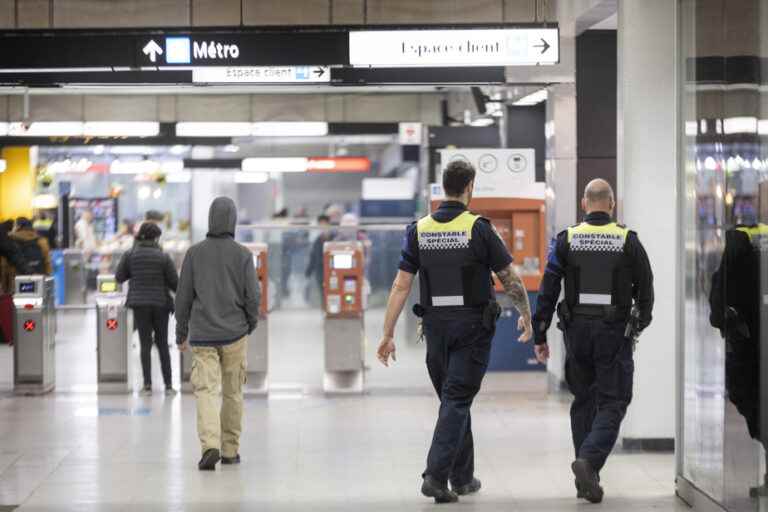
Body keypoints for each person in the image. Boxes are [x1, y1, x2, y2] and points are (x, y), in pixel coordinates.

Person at [376, 160, 533, 504]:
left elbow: (401, 284)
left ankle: (462, 477)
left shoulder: (419, 229)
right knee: (457, 399)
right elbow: (509, 278)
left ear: (443, 187)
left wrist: (387, 333)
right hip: (472, 329)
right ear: (470, 186)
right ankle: (435, 476)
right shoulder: (478, 229)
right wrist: (526, 314)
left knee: (454, 399)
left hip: (435, 330)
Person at [532, 179, 654, 503]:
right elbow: (646, 287)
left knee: (584, 400)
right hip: (613, 331)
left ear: (584, 204)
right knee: (614, 401)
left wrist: (540, 332)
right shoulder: (628, 240)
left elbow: (548, 289)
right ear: (612, 204)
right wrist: (639, 324)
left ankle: (586, 478)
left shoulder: (567, 240)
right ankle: (587, 461)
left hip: (577, 332)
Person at [175, 197, 260, 471]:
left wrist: (181, 333)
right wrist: (250, 323)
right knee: (233, 393)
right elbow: (253, 296)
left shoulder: (194, 253)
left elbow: (183, 298)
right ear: (233, 220)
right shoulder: (243, 254)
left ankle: (209, 446)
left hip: (202, 336)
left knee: (206, 391)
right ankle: (230, 450)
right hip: (235, 334)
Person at [709, 222, 767, 497]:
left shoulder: (738, 244)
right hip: (752, 341)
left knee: (750, 400)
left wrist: (724, 322)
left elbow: (718, 294)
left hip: (746, 344)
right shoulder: (749, 241)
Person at [115, 222, 179, 396]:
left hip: (139, 304)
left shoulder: (130, 254)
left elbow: (119, 277)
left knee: (145, 344)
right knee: (163, 344)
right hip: (160, 304)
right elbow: (175, 283)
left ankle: (147, 386)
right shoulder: (163, 257)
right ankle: (168, 386)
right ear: (156, 237)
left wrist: (133, 273)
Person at [305, 214, 334, 299]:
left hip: (332, 271)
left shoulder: (335, 239)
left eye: (325, 224)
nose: (323, 227)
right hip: (320, 273)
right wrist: (308, 271)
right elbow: (313, 257)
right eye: (320, 224)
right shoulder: (317, 241)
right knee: (323, 295)